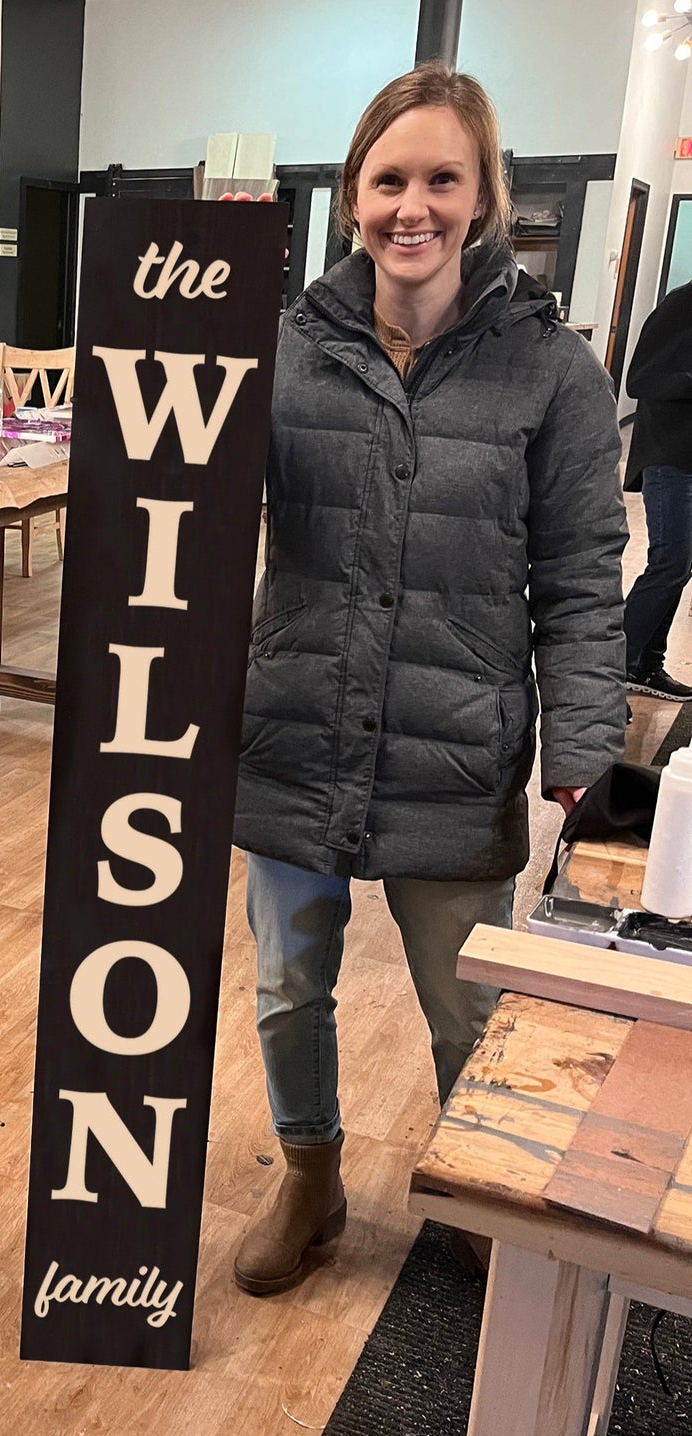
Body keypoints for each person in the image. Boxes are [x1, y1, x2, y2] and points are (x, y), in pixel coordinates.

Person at [231, 63, 626, 1296]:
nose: (413, 206)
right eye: (388, 178)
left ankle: (471, 1186)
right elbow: (177, 508)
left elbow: (580, 572)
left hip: (453, 747)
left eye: (441, 179)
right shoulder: (283, 349)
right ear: (351, 193)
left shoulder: (549, 372)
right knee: (287, 987)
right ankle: (309, 1177)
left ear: (482, 193)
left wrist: (583, 746)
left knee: (466, 1006)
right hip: (293, 733)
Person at [622, 279, 692, 701]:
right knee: (669, 562)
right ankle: (610, 672)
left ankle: (647, 665)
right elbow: (640, 379)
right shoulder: (681, 304)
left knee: (681, 566)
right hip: (669, 459)